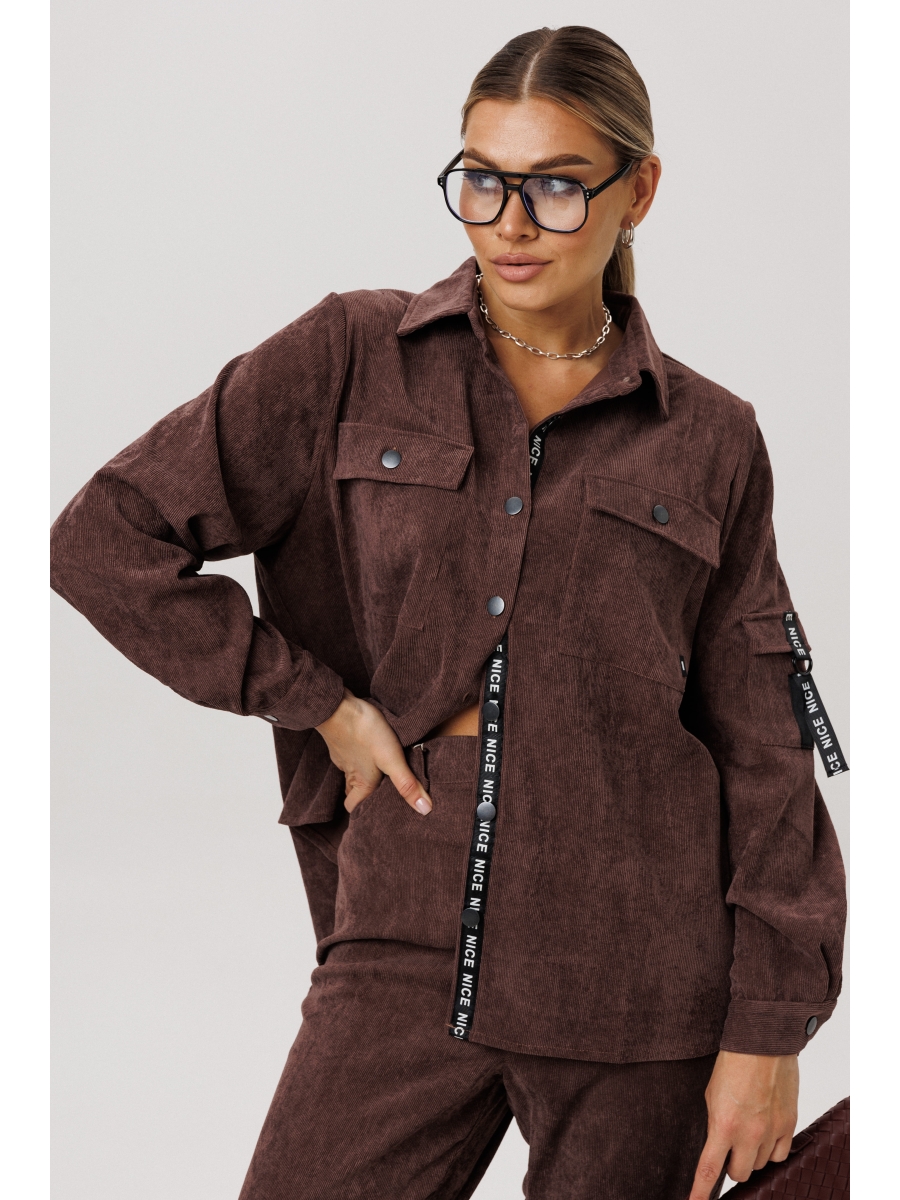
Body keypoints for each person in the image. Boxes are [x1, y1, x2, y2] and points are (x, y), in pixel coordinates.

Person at [50, 25, 846, 1200]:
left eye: (557, 187)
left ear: (640, 192)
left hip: (643, 966)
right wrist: (318, 704)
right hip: (410, 916)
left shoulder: (713, 437)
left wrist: (769, 1029)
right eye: (482, 180)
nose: (510, 224)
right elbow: (104, 539)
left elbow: (766, 742)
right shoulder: (350, 355)